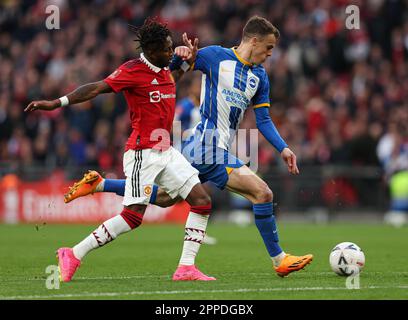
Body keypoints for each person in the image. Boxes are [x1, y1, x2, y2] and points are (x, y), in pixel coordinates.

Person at [65, 16, 313, 278]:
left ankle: (101, 185)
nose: (270, 54)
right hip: (207, 146)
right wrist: (182, 55)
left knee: (165, 198)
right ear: (254, 41)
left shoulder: (260, 77)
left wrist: (283, 148)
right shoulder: (215, 56)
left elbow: (263, 120)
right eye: (269, 47)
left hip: (205, 148)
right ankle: (279, 260)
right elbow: (165, 72)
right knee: (262, 193)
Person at [25, 18, 216, 282]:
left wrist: (188, 60)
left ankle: (185, 267)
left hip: (166, 150)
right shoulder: (132, 70)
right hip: (142, 153)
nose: (171, 53)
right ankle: (73, 253)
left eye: (173, 48)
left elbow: (172, 78)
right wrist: (57, 103)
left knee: (201, 201)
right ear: (151, 50)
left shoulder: (163, 69)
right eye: (167, 49)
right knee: (133, 217)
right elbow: (95, 88)